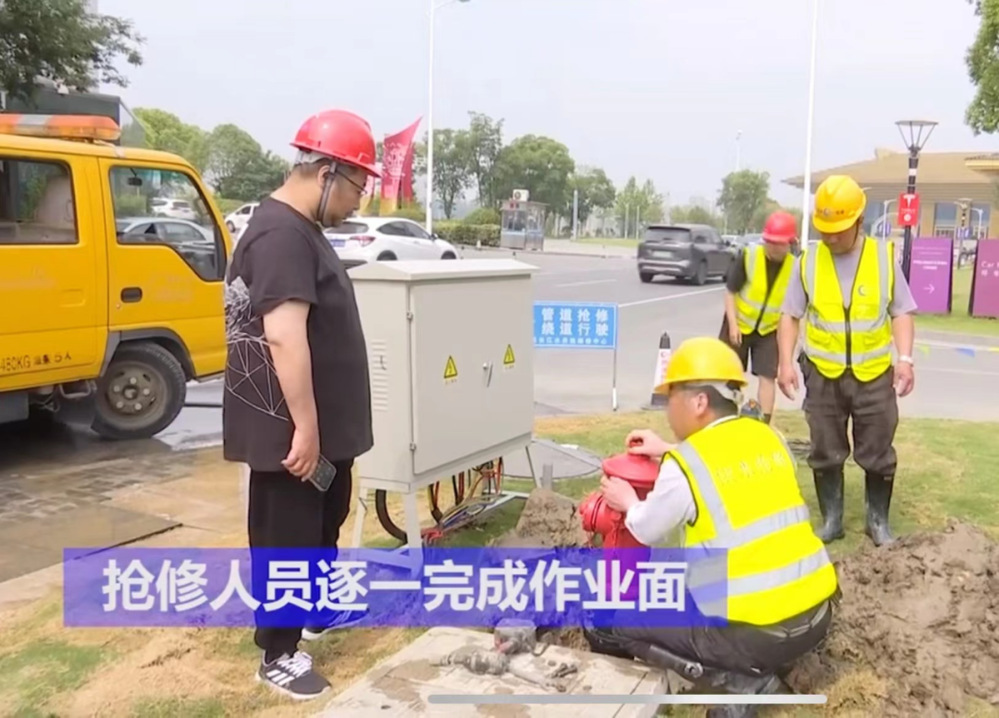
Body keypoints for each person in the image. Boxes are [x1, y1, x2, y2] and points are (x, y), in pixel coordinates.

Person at [584, 337, 838, 716]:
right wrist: (668, 449)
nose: (668, 410)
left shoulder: (685, 466)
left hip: (757, 633)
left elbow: (647, 529)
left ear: (699, 402)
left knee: (609, 619)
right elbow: (725, 462)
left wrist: (628, 501)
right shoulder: (770, 437)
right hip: (816, 616)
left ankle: (740, 682)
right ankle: (762, 666)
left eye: (672, 398)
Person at [222, 109, 380, 700]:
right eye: (357, 185)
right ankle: (278, 654)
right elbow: (284, 335)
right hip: (287, 428)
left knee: (321, 523)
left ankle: (314, 610)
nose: (358, 200)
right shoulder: (281, 235)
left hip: (319, 430)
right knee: (287, 536)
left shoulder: (301, 229)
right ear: (326, 171)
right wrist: (307, 427)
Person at [776, 175, 917, 548]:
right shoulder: (808, 262)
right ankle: (832, 521)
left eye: (837, 230)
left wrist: (905, 359)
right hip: (823, 375)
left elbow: (901, 312)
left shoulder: (883, 258)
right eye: (824, 229)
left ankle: (877, 522)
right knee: (825, 450)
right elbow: (790, 315)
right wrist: (785, 363)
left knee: (878, 451)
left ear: (858, 220)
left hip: (874, 376)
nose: (829, 237)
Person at [720, 211, 798, 424]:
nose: (773, 247)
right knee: (730, 375)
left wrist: (786, 354)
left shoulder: (795, 267)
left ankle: (763, 425)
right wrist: (733, 325)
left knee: (767, 376)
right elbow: (730, 292)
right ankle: (726, 420)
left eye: (779, 243)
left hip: (769, 330)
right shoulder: (748, 256)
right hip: (739, 324)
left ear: (790, 243)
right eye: (770, 242)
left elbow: (793, 312)